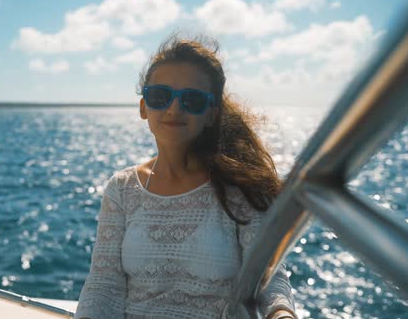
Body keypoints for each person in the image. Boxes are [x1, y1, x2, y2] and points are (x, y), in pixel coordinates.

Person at [75, 34, 297, 319]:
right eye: (160, 96)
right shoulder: (122, 189)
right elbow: (104, 286)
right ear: (144, 107)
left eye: (192, 100)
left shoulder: (239, 188)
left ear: (211, 114)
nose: (173, 108)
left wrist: (281, 313)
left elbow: (268, 280)